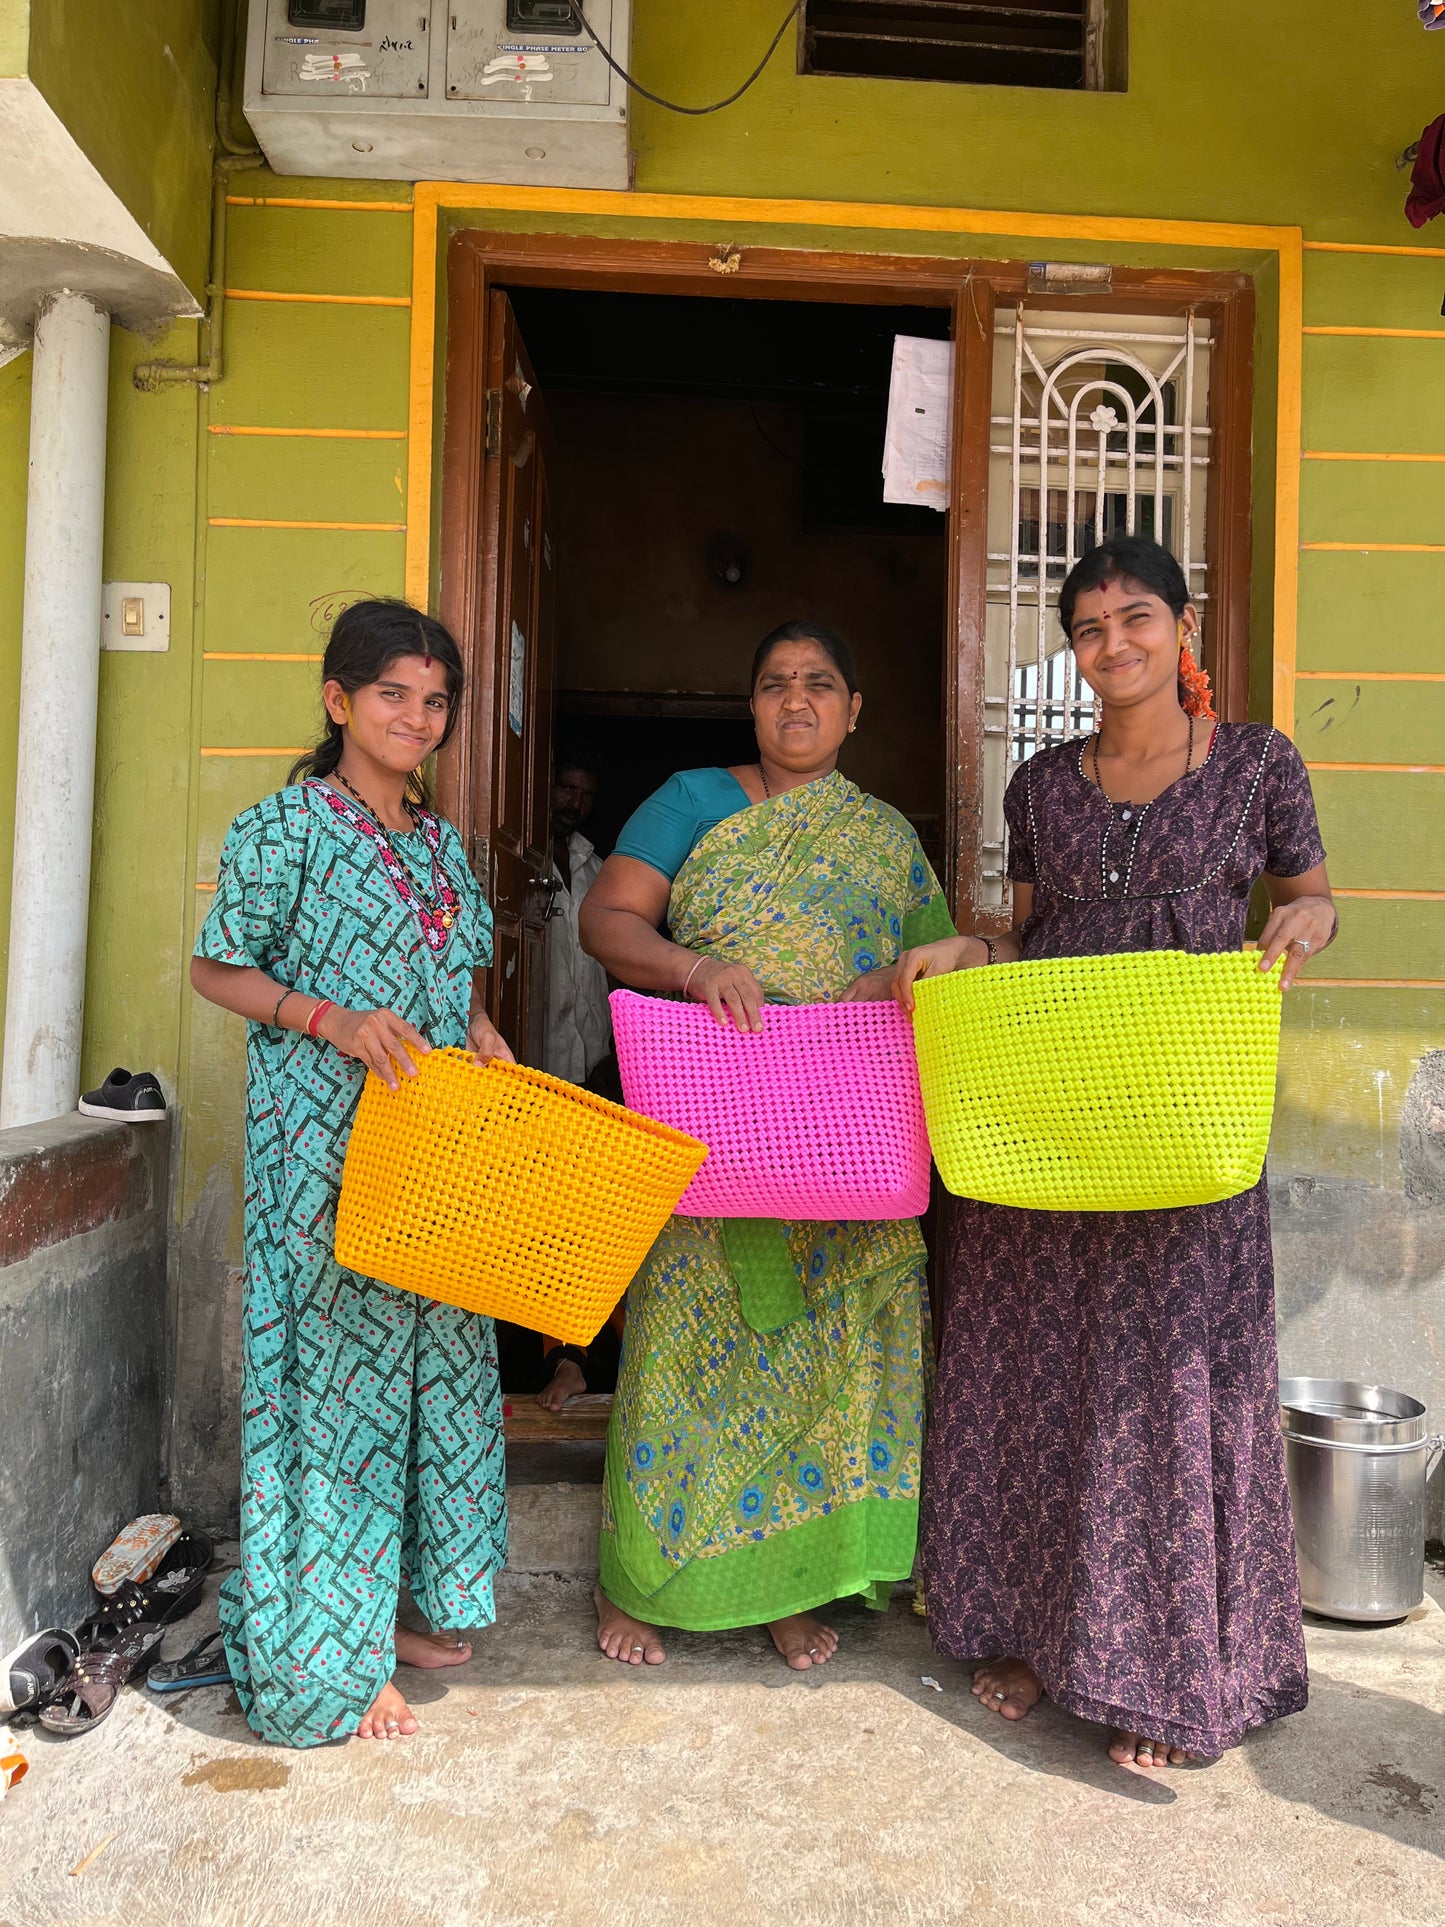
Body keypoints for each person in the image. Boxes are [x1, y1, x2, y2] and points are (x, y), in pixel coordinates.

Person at [885, 537, 1336, 1769]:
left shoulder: (1254, 763)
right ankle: (1032, 1630)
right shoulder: (1039, 786)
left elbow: (1311, 895)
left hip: (1184, 1109)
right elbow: (1027, 943)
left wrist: (1302, 914)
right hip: (1049, 1111)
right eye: (1086, 628)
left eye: (1134, 618)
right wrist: (963, 955)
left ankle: (1166, 1669)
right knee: (1036, 1356)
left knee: (1168, 1367)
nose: (1111, 646)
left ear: (1183, 627)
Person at [578, 620, 955, 1669]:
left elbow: (934, 960)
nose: (796, 700)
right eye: (775, 684)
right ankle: (640, 1582)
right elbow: (607, 921)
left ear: (851, 708)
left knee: (825, 1359)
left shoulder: (882, 835)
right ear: (750, 707)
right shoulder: (692, 800)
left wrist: (892, 978)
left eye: (819, 683)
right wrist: (695, 969)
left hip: (840, 1128)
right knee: (681, 1341)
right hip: (709, 1114)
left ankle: (796, 1584)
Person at [190, 599, 513, 1748]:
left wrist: (477, 1029)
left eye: (434, 700)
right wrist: (328, 1017)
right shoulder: (282, 829)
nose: (416, 718)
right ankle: (332, 1647)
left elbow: (455, 975)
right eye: (392, 695)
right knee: (336, 1394)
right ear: (337, 701)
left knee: (427, 1372)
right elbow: (216, 969)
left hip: (430, 1148)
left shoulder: (436, 842)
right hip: (322, 1153)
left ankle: (386, 1611)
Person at [543, 753, 612, 1088]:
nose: (575, 803)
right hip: (538, 1048)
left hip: (593, 1050)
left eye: (586, 795)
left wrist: (612, 1048)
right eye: (567, 788)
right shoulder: (523, 865)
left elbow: (612, 957)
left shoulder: (597, 869)